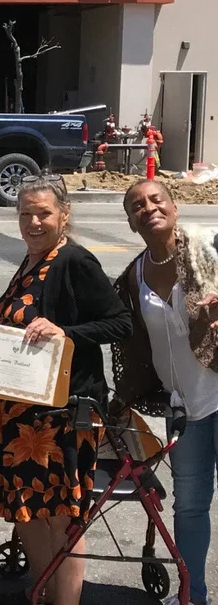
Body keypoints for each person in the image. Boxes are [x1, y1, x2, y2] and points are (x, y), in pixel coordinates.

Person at [0, 175, 131, 605]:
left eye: (44, 213)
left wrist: (66, 331)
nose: (33, 222)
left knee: (61, 517)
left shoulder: (73, 260)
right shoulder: (29, 261)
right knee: (26, 511)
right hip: (16, 415)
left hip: (60, 415)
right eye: (26, 214)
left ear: (64, 215)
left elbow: (120, 323)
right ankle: (40, 593)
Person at [113, 179, 218, 605]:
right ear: (131, 220)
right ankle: (192, 595)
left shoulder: (208, 250)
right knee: (189, 507)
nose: (149, 208)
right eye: (138, 205)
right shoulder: (132, 276)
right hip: (184, 406)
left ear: (174, 207)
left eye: (157, 200)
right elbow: (124, 333)